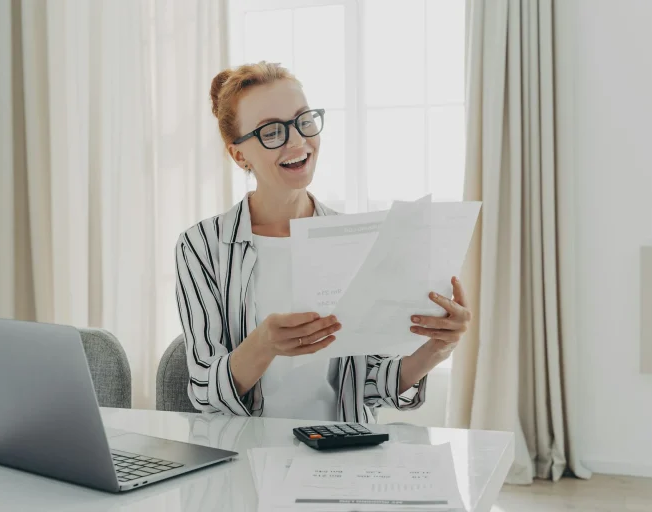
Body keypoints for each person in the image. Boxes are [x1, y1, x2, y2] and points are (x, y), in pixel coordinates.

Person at [175, 61, 472, 422]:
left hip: (342, 455)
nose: (298, 141)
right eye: (271, 132)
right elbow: (206, 392)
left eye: (304, 121)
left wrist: (435, 350)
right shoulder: (202, 247)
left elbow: (371, 384)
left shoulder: (356, 238)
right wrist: (264, 344)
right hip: (247, 458)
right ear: (239, 154)